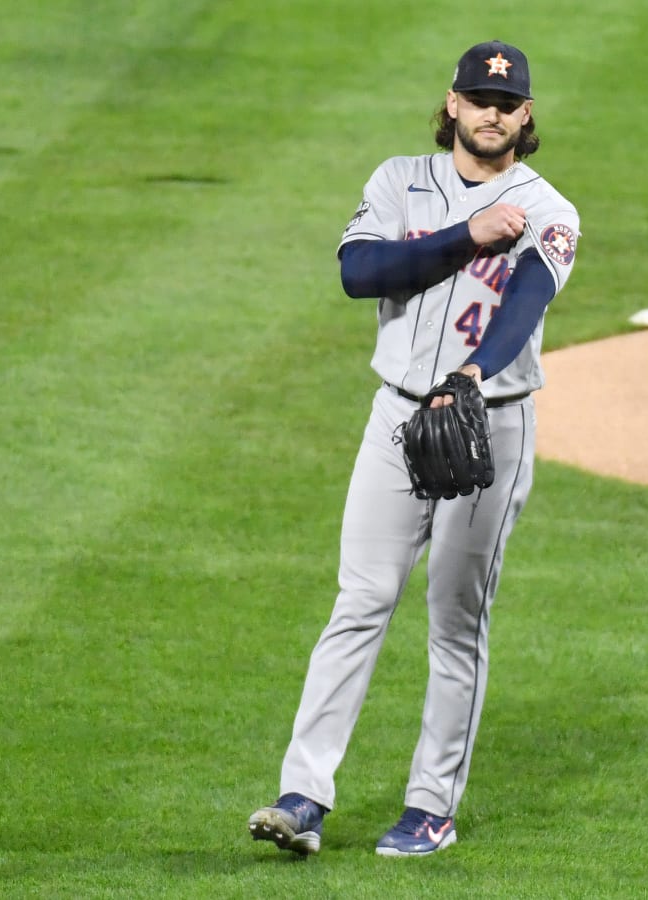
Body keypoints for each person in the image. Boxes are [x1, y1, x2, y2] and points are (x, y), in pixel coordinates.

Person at [247, 40, 580, 858]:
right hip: (394, 422)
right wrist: (468, 236)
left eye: (508, 102)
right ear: (454, 104)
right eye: (479, 98)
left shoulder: (550, 210)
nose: (493, 112)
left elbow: (526, 302)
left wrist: (470, 373)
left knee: (455, 620)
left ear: (526, 114)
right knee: (358, 602)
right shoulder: (398, 181)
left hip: (488, 423)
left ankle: (432, 807)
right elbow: (362, 273)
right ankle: (302, 796)